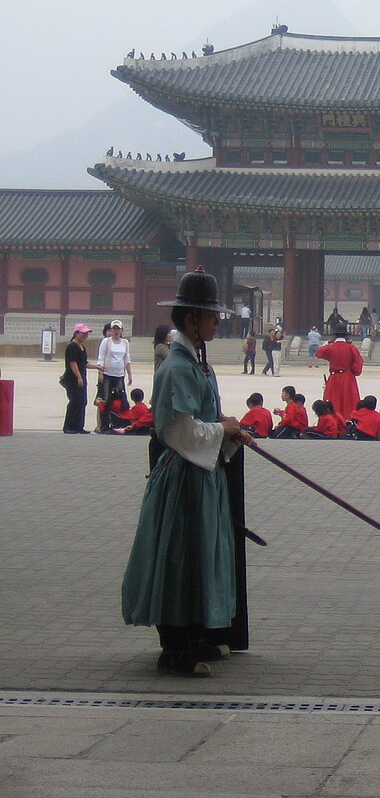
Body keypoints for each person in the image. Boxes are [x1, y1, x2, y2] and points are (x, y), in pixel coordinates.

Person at [121, 267, 255, 677]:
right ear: (192, 319)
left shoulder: (198, 363)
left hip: (204, 475)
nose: (218, 321)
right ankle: (175, 647)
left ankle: (198, 635)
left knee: (204, 554)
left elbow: (204, 418)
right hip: (182, 478)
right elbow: (178, 429)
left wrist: (225, 426)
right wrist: (223, 429)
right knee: (179, 556)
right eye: (212, 315)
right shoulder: (176, 367)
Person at [315, 326, 364, 419]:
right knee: (349, 402)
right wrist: (354, 371)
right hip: (348, 376)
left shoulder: (330, 347)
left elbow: (318, 353)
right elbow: (358, 363)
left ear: (334, 336)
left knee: (333, 400)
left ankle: (332, 420)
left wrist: (329, 343)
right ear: (346, 336)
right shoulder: (351, 348)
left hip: (334, 376)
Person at [95, 318, 133, 431]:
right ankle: (104, 425)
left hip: (119, 375)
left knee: (120, 400)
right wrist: (100, 373)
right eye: (114, 329)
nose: (116, 331)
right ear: (111, 330)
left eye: (118, 329)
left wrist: (130, 374)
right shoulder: (106, 341)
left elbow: (127, 358)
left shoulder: (125, 342)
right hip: (107, 374)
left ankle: (118, 423)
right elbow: (101, 358)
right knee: (106, 399)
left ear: (121, 330)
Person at [62, 323, 97, 434]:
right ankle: (69, 427)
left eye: (86, 333)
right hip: (73, 379)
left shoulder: (81, 347)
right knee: (74, 401)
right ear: (76, 333)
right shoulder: (72, 346)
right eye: (83, 333)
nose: (85, 335)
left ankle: (78, 426)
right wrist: (78, 377)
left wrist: (97, 367)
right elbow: (73, 363)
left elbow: (84, 363)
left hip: (81, 378)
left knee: (82, 401)